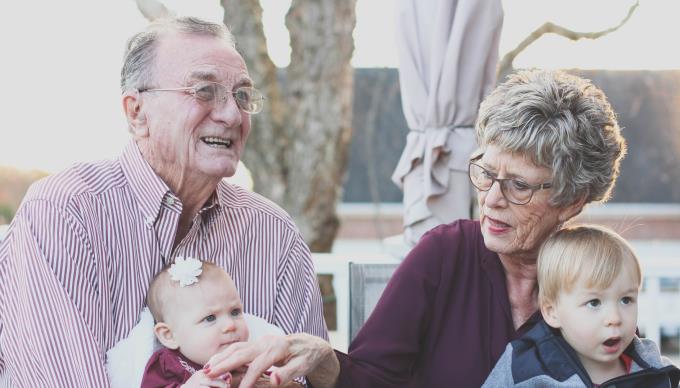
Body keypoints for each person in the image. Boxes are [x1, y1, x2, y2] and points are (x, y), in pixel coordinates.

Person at [202, 69, 629, 388]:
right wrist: (321, 357)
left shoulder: (597, 275)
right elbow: (370, 379)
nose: (492, 198)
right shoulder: (445, 254)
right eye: (485, 172)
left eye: (518, 185)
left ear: (571, 200)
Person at [0, 16, 327, 387]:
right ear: (137, 113)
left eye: (242, 96)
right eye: (204, 91)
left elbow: (312, 379)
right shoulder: (64, 213)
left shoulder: (273, 233)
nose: (232, 114)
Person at [483, 225, 680, 387]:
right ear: (552, 312)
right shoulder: (525, 368)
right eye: (594, 303)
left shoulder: (655, 371)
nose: (615, 318)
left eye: (626, 300)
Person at [141, 257, 248, 388]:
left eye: (235, 312)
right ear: (169, 335)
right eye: (210, 318)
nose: (230, 325)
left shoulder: (247, 360)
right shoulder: (167, 364)